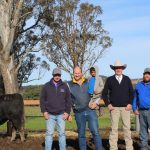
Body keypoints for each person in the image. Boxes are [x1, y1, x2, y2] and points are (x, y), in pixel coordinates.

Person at [67, 66, 102, 150]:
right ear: (73, 73)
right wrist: (68, 113)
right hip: (78, 112)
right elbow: (67, 100)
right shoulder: (69, 85)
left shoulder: (88, 81)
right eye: (75, 73)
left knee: (95, 132)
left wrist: (96, 102)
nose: (77, 75)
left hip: (90, 110)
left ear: (81, 73)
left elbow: (98, 94)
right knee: (81, 134)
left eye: (79, 73)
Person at [102, 60, 134, 150]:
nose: (118, 69)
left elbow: (132, 93)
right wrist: (108, 104)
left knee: (127, 129)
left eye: (119, 68)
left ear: (122, 69)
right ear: (114, 69)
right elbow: (104, 94)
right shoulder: (109, 79)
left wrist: (130, 104)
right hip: (114, 108)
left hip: (125, 108)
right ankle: (113, 148)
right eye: (116, 68)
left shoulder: (127, 79)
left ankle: (129, 147)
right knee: (114, 129)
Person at [40, 68, 71, 150]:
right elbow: (42, 100)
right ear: (53, 75)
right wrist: (44, 112)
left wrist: (67, 112)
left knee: (62, 134)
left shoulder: (65, 86)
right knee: (49, 134)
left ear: (60, 76)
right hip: (50, 115)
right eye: (55, 75)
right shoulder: (46, 86)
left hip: (61, 114)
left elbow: (68, 100)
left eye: (58, 75)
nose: (57, 76)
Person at [132, 68, 150, 150]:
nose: (147, 75)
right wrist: (134, 108)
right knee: (143, 130)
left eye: (148, 74)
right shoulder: (138, 85)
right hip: (141, 111)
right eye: (145, 74)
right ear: (143, 75)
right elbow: (135, 98)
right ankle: (144, 146)